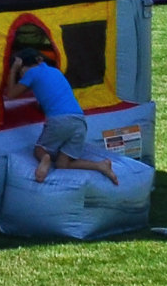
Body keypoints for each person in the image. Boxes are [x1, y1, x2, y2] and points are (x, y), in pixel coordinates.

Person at [6, 50, 118, 185]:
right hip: (79, 121)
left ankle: (45, 158)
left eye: (21, 72)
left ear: (23, 66)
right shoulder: (56, 72)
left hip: (59, 120)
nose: (22, 76)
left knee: (39, 149)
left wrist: (14, 69)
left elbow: (11, 94)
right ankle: (100, 165)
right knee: (62, 164)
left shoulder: (31, 73)